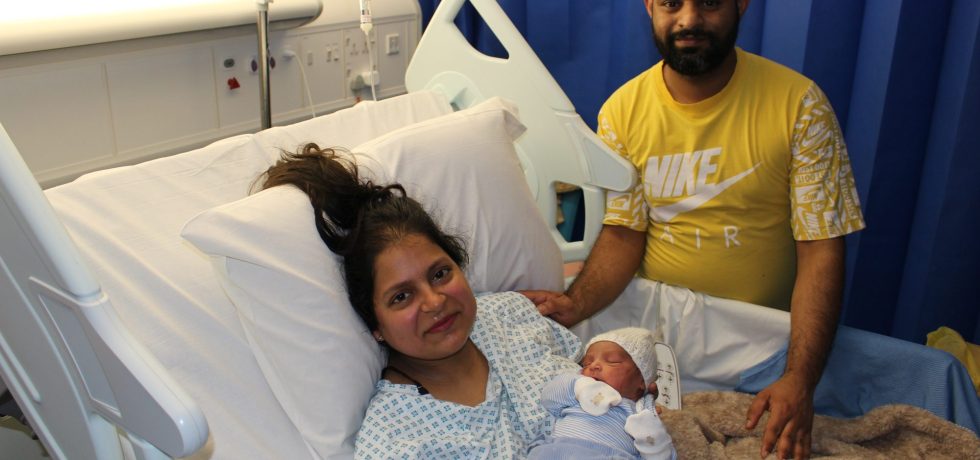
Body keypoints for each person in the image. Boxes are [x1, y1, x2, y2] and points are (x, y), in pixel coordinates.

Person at [522, 1, 866, 459]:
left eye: (708, 2)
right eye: (670, 3)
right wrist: (575, 303)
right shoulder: (623, 111)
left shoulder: (798, 105)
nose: (687, 20)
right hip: (658, 331)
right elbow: (625, 232)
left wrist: (798, 377)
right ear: (649, 6)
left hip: (754, 340)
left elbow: (821, 250)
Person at [260, 144, 582, 458]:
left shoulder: (511, 314)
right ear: (375, 325)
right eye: (401, 297)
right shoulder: (393, 440)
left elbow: (612, 383)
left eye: (440, 274)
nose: (434, 301)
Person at [529, 327, 676, 460]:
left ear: (641, 381)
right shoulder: (577, 389)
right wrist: (580, 386)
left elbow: (664, 453)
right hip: (558, 451)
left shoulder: (641, 412)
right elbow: (549, 398)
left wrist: (654, 440)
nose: (594, 366)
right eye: (587, 363)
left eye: (612, 361)